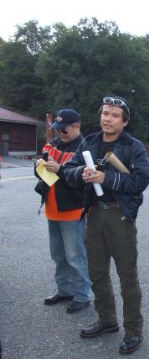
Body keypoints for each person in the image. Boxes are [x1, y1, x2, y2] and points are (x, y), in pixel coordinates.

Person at [63, 95, 149, 355]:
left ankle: (133, 330)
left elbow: (142, 180)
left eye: (114, 115)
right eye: (105, 113)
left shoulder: (133, 146)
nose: (108, 119)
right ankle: (107, 319)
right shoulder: (89, 142)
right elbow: (68, 170)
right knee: (97, 271)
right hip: (94, 214)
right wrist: (81, 173)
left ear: (125, 121)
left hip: (119, 215)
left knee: (127, 275)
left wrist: (106, 178)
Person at [35, 108, 91, 313]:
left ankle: (82, 294)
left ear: (77, 126)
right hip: (52, 208)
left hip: (73, 210)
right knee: (58, 254)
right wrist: (39, 166)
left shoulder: (84, 148)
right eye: (57, 129)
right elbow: (39, 173)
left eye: (64, 129)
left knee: (75, 255)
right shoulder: (52, 145)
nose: (60, 133)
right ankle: (64, 289)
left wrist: (59, 169)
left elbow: (82, 178)